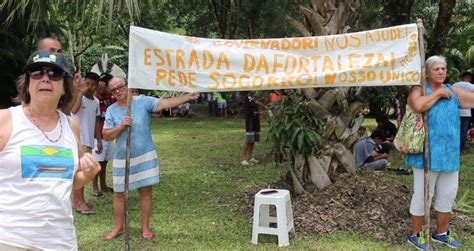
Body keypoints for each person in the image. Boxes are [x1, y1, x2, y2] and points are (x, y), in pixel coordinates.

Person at [0, 50, 100, 250]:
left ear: (64, 87)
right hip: (9, 238)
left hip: (59, 239)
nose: (45, 79)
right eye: (37, 73)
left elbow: (70, 179)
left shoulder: (72, 126)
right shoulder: (6, 120)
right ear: (28, 83)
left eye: (54, 74)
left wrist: (87, 175)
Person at [103, 76, 198, 240]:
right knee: (119, 193)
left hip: (144, 155)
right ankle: (119, 227)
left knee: (145, 191)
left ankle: (145, 228)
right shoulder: (112, 110)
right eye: (114, 89)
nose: (118, 91)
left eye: (120, 86)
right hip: (121, 158)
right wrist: (120, 126)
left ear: (127, 85)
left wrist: (187, 97)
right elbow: (106, 135)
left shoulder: (142, 101)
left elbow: (164, 104)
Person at [404, 56, 474, 250]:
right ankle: (415, 235)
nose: (441, 71)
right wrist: (438, 94)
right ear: (427, 72)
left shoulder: (453, 90)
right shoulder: (418, 89)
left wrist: (444, 91)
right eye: (436, 69)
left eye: (443, 68)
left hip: (450, 155)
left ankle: (441, 233)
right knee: (423, 195)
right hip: (426, 155)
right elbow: (418, 106)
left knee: (448, 194)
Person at [70, 72, 102, 214]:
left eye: (93, 84)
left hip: (89, 140)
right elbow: (74, 110)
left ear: (97, 86)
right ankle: (79, 203)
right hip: (77, 139)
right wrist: (79, 93)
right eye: (87, 83)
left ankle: (78, 200)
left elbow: (96, 122)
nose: (89, 87)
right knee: (80, 172)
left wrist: (99, 140)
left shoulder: (96, 101)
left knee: (81, 172)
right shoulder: (79, 97)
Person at [91, 79, 116, 195]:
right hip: (97, 135)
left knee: (104, 162)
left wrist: (109, 91)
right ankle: (95, 188)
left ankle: (103, 185)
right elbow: (91, 106)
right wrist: (96, 91)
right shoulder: (94, 97)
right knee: (96, 162)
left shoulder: (110, 97)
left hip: (108, 134)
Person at [241, 92, 268, 165]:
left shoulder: (252, 97)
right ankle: (244, 159)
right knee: (248, 140)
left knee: (253, 140)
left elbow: (254, 109)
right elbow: (256, 102)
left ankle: (250, 157)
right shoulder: (248, 96)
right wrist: (265, 106)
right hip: (250, 121)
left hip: (255, 121)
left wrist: (260, 113)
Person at [453, 71, 474, 151]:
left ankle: (454, 147)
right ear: (469, 78)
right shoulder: (471, 86)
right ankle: (461, 148)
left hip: (456, 111)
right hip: (466, 112)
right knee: (464, 130)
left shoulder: (455, 85)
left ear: (462, 77)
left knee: (456, 129)